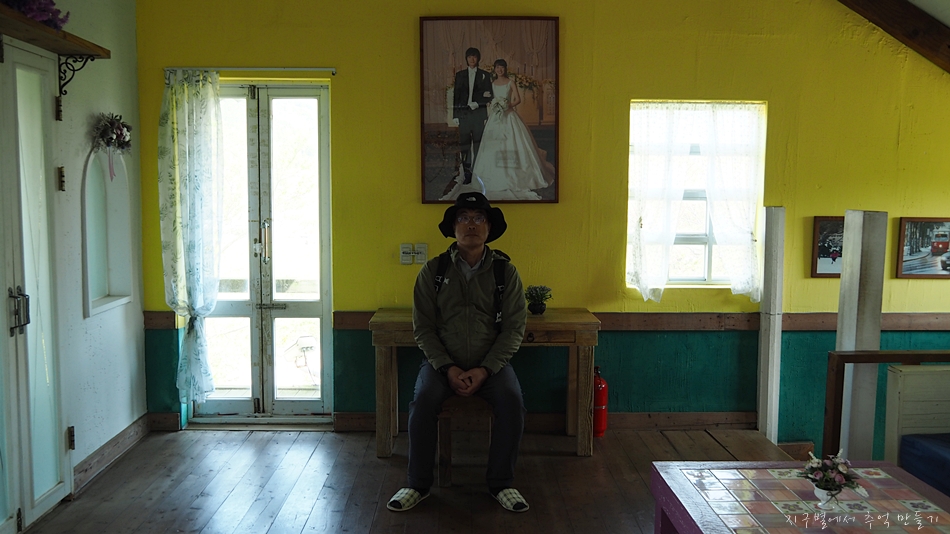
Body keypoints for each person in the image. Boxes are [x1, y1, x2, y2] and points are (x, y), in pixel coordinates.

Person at [387, 192, 530, 514]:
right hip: (441, 364)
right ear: (453, 227)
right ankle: (418, 484)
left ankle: (501, 484)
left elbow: (513, 329)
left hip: (491, 364)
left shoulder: (505, 272)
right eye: (463, 218)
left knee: (512, 402)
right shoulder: (433, 271)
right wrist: (447, 367)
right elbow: (423, 328)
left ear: (489, 227)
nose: (471, 225)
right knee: (422, 402)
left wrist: (485, 369)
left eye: (479, 218)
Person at [470, 58, 555, 200]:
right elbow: (489, 98)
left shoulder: (511, 82)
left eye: (502, 67)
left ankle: (516, 175)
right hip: (495, 117)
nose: (500, 70)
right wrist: (494, 104)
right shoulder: (492, 83)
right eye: (497, 67)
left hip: (509, 115)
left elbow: (518, 99)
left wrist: (507, 105)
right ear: (495, 69)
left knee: (513, 143)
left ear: (505, 69)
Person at [453, 47, 494, 184]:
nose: (472, 59)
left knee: (478, 145)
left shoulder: (485, 75)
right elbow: (456, 95)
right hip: (464, 115)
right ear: (466, 58)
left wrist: (478, 103)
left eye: (474, 57)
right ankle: (467, 173)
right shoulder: (460, 75)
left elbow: (490, 95)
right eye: (470, 57)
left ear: (478, 59)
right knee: (465, 145)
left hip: (478, 115)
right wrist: (455, 115)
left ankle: (477, 171)